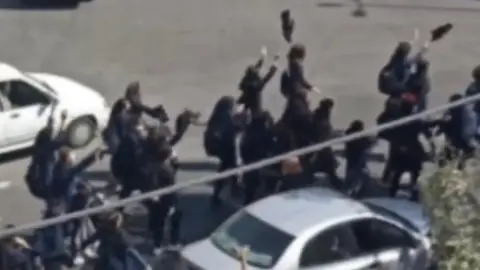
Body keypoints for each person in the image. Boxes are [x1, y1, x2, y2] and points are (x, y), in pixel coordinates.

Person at [240, 110, 275, 204]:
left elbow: (243, 148)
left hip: (249, 163)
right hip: (259, 163)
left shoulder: (249, 131)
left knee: (250, 188)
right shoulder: (265, 133)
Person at [238, 48, 279, 114]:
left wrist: (262, 58)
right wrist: (275, 61)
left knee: (238, 111)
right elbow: (270, 74)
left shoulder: (245, 82)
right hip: (254, 111)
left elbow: (255, 70)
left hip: (243, 105)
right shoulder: (257, 86)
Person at [344, 120, 375, 197]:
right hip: (358, 158)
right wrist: (371, 142)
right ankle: (355, 191)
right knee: (358, 174)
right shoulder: (359, 136)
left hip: (351, 157)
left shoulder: (349, 134)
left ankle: (348, 187)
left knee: (350, 172)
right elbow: (365, 143)